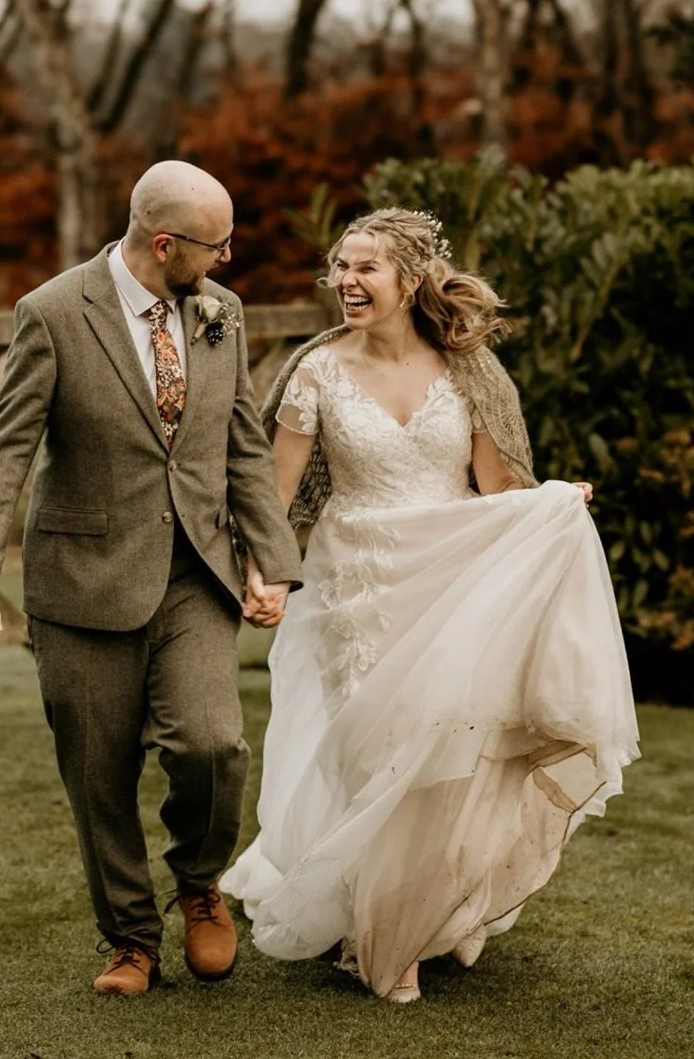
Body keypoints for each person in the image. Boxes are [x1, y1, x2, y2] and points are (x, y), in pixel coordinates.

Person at [223, 208, 638, 1003]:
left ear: (408, 280)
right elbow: (274, 496)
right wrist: (264, 575)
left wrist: (552, 503)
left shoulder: (471, 372)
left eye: (365, 267)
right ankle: (378, 929)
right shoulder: (315, 371)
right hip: (358, 582)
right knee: (376, 750)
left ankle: (431, 906)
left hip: (450, 576)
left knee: (446, 750)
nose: (345, 280)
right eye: (340, 266)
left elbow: (499, 494)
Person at [0, 162, 301, 997]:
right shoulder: (52, 313)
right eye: (216, 245)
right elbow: (4, 450)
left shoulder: (222, 313)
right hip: (84, 579)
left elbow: (242, 442)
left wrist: (274, 563)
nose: (229, 260)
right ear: (165, 242)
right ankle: (130, 941)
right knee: (98, 769)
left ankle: (200, 884)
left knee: (212, 745)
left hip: (196, 572)